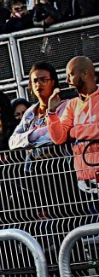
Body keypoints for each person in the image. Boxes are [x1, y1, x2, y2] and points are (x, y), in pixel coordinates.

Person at [49, 56, 99, 197]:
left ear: (85, 73)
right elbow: (58, 138)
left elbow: (72, 132)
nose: (67, 81)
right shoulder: (72, 104)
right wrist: (52, 113)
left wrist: (75, 130)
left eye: (70, 74)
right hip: (84, 179)